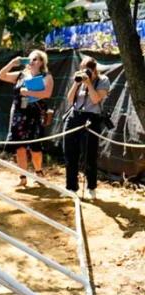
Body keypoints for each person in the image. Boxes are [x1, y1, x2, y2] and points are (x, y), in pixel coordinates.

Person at [0, 50, 54, 188]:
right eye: (29, 59)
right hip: (19, 115)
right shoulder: (20, 75)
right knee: (19, 147)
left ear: (41, 62)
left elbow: (47, 93)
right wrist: (12, 63)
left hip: (35, 114)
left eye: (35, 59)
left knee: (35, 147)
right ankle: (23, 177)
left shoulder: (46, 76)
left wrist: (28, 92)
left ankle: (38, 173)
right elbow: (1, 75)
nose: (31, 61)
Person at [63, 55, 109, 200]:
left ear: (94, 70)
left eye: (87, 69)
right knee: (70, 154)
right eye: (82, 68)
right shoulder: (79, 80)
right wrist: (76, 83)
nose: (84, 72)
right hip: (75, 116)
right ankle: (71, 187)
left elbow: (95, 100)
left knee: (90, 155)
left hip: (91, 119)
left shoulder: (103, 80)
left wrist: (89, 83)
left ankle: (91, 187)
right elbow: (70, 99)